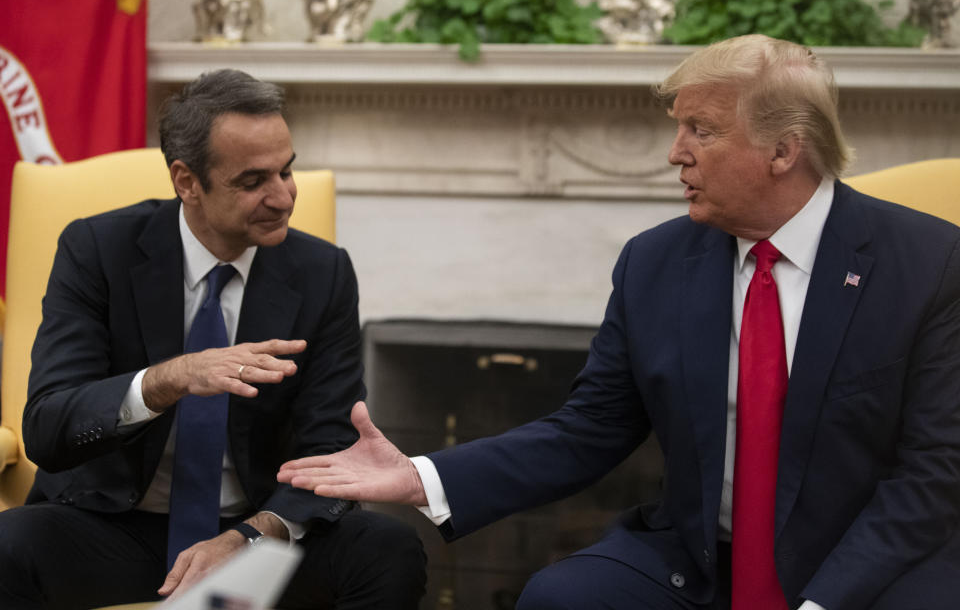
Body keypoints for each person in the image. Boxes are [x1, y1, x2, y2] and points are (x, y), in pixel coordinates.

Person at [278, 35, 960, 610]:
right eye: (677, 126)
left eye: (702, 130)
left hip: (867, 566)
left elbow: (933, 474)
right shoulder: (656, 262)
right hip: (701, 561)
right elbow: (587, 430)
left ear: (784, 150)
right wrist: (421, 478)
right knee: (560, 597)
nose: (675, 153)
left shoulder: (928, 263)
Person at [0, 69, 426, 609]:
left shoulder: (324, 272)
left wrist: (253, 533)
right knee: (7, 546)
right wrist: (167, 380)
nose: (282, 198)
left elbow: (329, 446)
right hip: (116, 527)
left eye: (287, 172)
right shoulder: (97, 250)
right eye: (253, 182)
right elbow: (48, 427)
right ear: (187, 182)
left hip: (256, 534)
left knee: (387, 547)